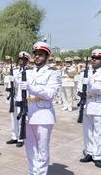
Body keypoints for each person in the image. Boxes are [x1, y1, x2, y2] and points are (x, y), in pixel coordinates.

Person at [19, 41, 62, 175]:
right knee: (30, 147)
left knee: (42, 149)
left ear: (47, 56)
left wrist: (31, 87)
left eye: (41, 54)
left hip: (43, 114)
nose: (37, 57)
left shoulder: (53, 72)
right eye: (36, 54)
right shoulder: (29, 71)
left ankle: (41, 173)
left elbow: (50, 94)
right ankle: (32, 172)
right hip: (28, 113)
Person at [79, 49, 101, 168]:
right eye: (93, 58)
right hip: (87, 105)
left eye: (97, 58)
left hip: (99, 105)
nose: (93, 60)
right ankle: (89, 152)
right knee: (87, 131)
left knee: (99, 132)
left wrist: (97, 88)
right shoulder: (86, 72)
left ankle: (98, 156)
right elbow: (80, 89)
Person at [6, 51, 31, 148]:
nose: (21, 61)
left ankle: (21, 138)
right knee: (13, 118)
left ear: (27, 61)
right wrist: (9, 97)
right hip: (15, 96)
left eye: (24, 59)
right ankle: (14, 136)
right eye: (20, 59)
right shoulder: (15, 70)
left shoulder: (30, 72)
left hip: (23, 97)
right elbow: (10, 85)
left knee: (21, 118)